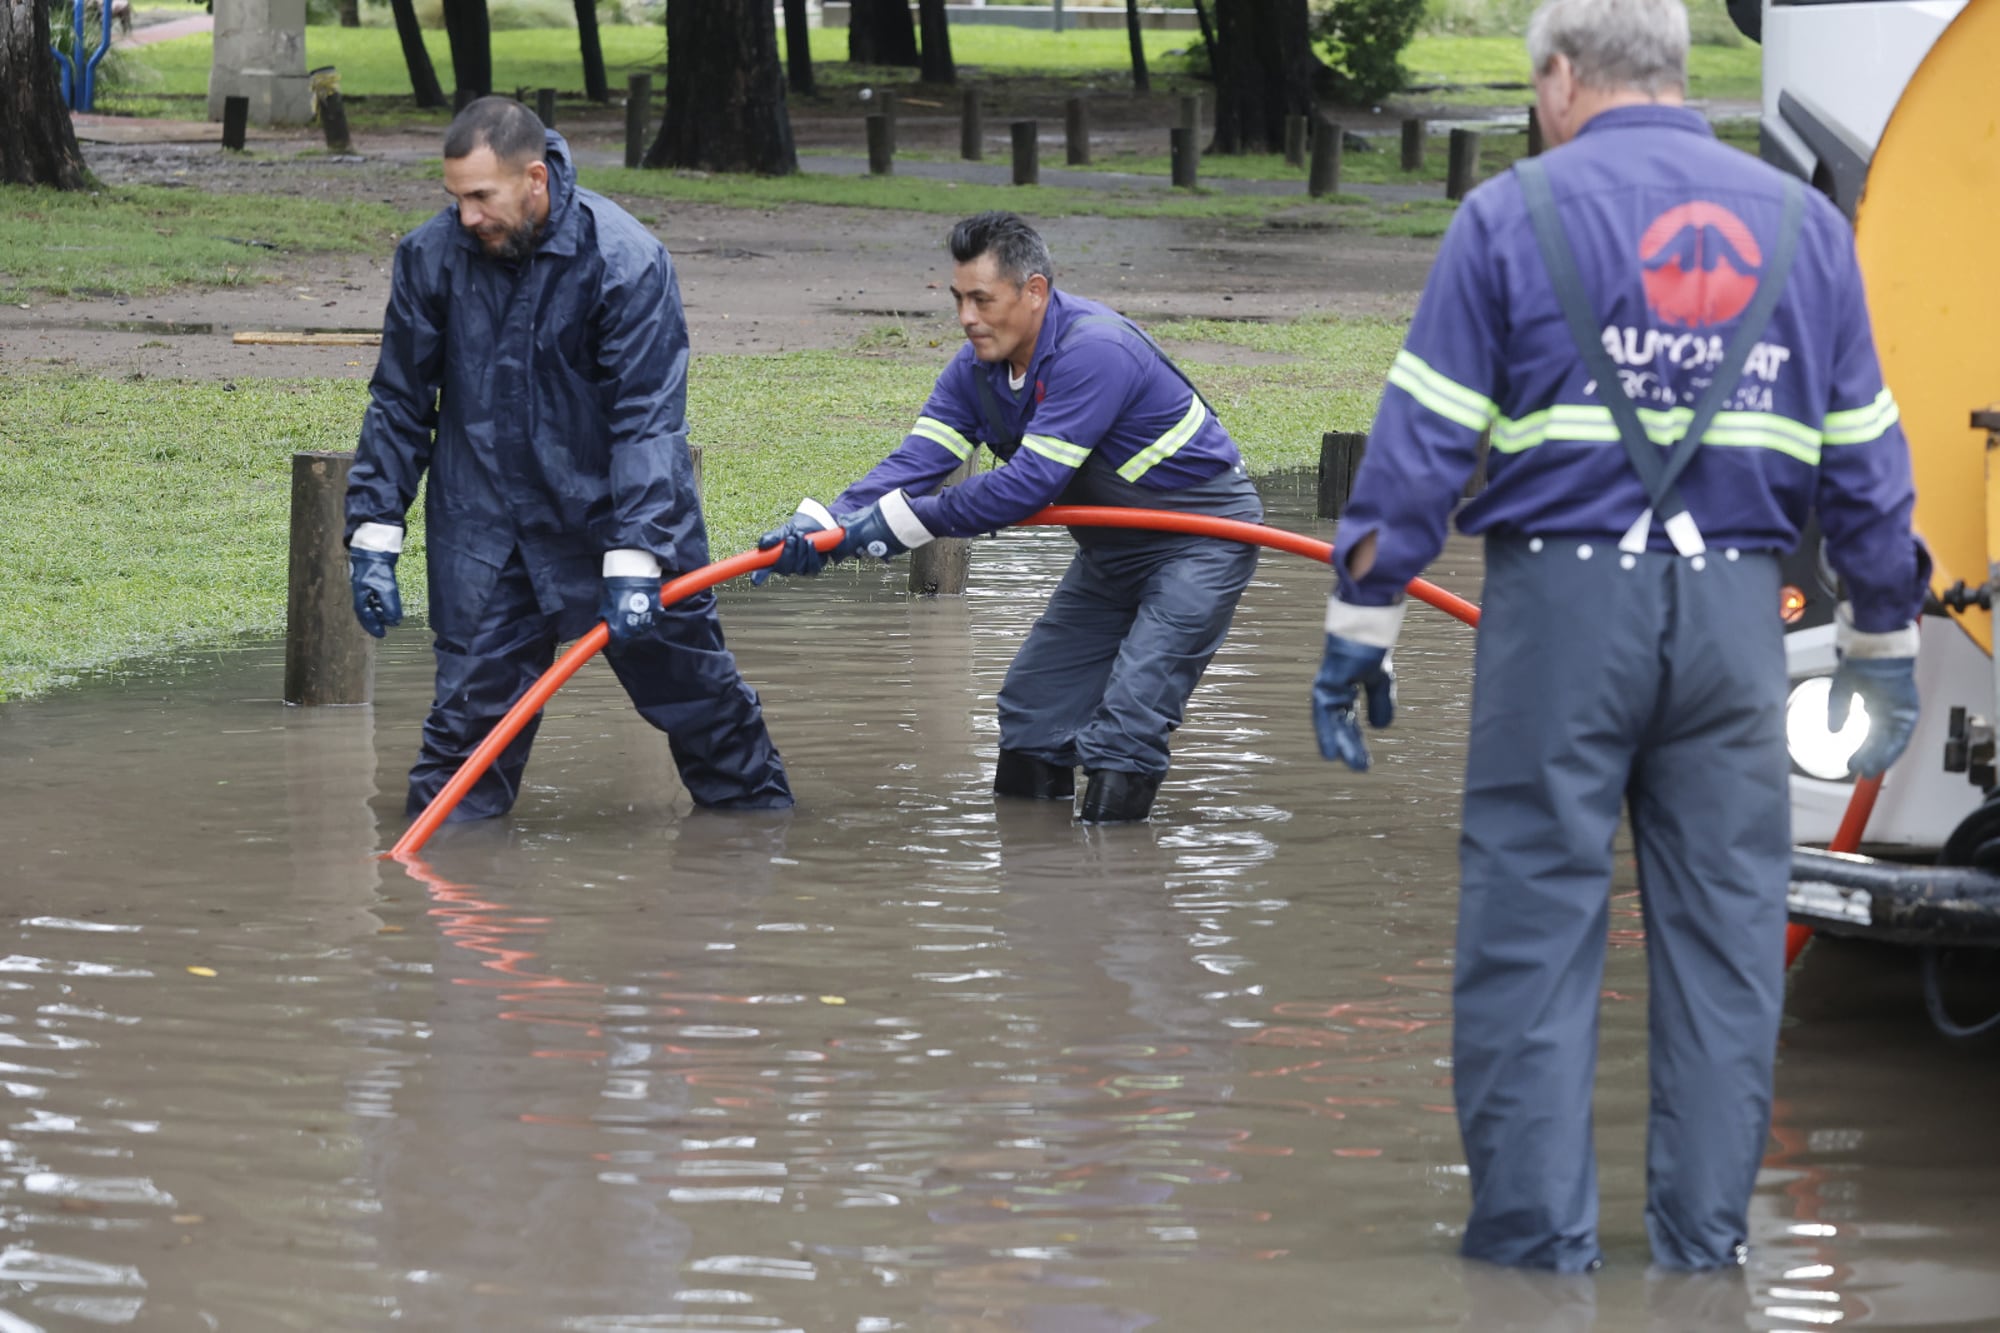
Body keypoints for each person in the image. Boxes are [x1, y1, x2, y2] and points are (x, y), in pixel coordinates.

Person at [1310, 0, 1927, 1272]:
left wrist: (1360, 619)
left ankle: (1535, 1265)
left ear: (1557, 77)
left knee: (1529, 939)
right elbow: (1865, 461)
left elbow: (1421, 441)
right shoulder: (1802, 227)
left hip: (1557, 617)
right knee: (1724, 949)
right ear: (1676, 71)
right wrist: (1880, 642)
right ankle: (1701, 1262)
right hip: (1734, 627)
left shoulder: (1509, 216)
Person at [344, 97, 791, 822]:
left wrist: (639, 554)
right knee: (465, 741)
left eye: (481, 197)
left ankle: (760, 847)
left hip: (617, 521)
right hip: (488, 534)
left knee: (707, 711)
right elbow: (399, 401)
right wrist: (373, 531)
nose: (466, 217)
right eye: (455, 198)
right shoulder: (430, 257)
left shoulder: (625, 259)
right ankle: (441, 915)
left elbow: (648, 420)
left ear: (535, 179)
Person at [754, 211, 1263, 824]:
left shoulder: (1095, 351)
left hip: (1199, 544)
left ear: (1035, 292)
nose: (967, 318)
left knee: (1130, 717)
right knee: (1034, 709)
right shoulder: (974, 372)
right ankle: (1029, 885)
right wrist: (823, 523)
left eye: (981, 300)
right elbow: (917, 461)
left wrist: (895, 528)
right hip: (1113, 551)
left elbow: (1029, 485)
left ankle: (1112, 891)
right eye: (958, 300)